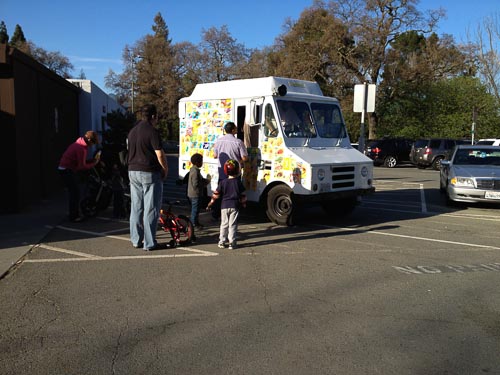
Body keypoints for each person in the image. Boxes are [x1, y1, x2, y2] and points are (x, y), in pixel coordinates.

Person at [127, 104, 168, 251]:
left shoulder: (132, 131)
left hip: (132, 170)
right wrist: (165, 169)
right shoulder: (152, 131)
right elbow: (159, 154)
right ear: (153, 116)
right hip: (149, 172)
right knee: (151, 208)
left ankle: (136, 239)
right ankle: (149, 243)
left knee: (136, 207)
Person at [58, 130, 101, 222]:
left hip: (65, 168)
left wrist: (91, 161)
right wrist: (94, 163)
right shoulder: (81, 148)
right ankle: (74, 216)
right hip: (66, 170)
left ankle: (73, 213)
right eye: (93, 142)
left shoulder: (79, 143)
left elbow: (80, 162)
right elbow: (82, 166)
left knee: (74, 192)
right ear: (89, 140)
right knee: (75, 193)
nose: (92, 145)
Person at [206, 159, 247, 250]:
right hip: (235, 206)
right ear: (238, 170)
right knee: (232, 224)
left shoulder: (223, 182)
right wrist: (244, 204)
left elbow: (216, 194)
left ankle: (222, 241)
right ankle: (232, 243)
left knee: (224, 224)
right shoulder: (238, 182)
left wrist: (210, 203)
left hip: (224, 206)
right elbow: (243, 195)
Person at [212, 122, 248, 219]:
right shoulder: (238, 142)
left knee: (220, 192)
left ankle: (216, 214)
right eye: (236, 128)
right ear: (232, 130)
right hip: (234, 172)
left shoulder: (218, 141)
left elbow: (215, 156)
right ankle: (235, 213)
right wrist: (239, 160)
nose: (237, 129)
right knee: (235, 193)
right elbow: (245, 158)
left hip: (222, 172)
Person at [187, 153, 209, 229]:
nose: (202, 163)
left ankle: (196, 222)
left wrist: (204, 180)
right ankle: (193, 224)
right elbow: (196, 183)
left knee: (196, 210)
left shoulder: (194, 170)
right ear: (197, 162)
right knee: (195, 210)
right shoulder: (195, 172)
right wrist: (204, 183)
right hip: (195, 194)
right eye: (201, 161)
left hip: (193, 194)